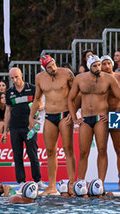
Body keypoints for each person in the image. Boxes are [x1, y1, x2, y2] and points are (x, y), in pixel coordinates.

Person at [67, 55, 120, 186]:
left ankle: (101, 183)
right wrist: (74, 117)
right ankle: (80, 182)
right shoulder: (80, 78)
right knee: (83, 152)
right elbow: (70, 99)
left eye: (99, 65)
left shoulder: (111, 78)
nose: (99, 68)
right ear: (89, 67)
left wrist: (113, 115)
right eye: (95, 66)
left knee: (103, 149)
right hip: (85, 118)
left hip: (101, 118)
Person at [29, 55, 76, 195]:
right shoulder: (39, 78)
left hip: (64, 114)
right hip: (49, 116)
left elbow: (76, 94)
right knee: (50, 151)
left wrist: (72, 113)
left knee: (68, 149)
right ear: (44, 68)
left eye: (54, 64)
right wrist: (31, 117)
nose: (53, 68)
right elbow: (37, 99)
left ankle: (72, 183)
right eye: (49, 67)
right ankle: (51, 186)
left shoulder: (67, 73)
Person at [1, 68, 45, 190]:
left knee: (33, 153)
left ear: (21, 75)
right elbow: (8, 112)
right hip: (15, 128)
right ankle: (21, 181)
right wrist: (5, 130)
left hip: (29, 127)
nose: (15, 80)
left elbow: (41, 105)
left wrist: (36, 109)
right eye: (12, 78)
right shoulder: (9, 92)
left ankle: (38, 180)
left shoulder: (32, 88)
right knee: (17, 155)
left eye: (16, 77)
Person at [101, 55, 120, 190]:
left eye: (108, 63)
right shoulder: (97, 80)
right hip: (101, 116)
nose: (106, 66)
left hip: (117, 115)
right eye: (104, 64)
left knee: (119, 149)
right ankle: (101, 182)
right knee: (101, 150)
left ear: (113, 65)